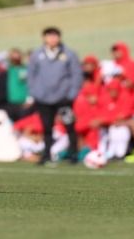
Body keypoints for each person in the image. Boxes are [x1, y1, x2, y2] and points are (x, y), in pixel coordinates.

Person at [28, 27, 83, 165]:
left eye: (55, 36)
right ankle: (46, 154)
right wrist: (35, 93)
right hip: (43, 98)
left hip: (63, 98)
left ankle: (73, 153)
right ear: (44, 38)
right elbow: (31, 75)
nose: (52, 39)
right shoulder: (37, 55)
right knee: (47, 127)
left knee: (69, 125)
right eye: (49, 36)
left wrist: (71, 94)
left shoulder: (69, 54)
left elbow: (76, 75)